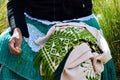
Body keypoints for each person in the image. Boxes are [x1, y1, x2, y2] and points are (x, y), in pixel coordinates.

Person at [0, 0, 117, 80]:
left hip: (78, 23)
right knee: (5, 44)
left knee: (79, 61)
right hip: (34, 23)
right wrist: (17, 30)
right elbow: (14, 3)